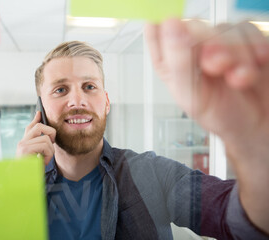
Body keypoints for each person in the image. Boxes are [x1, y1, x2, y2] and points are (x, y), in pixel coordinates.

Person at [16, 18, 269, 239]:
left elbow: (236, 220)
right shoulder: (19, 186)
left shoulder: (151, 173)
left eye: (89, 86)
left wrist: (252, 148)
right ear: (40, 108)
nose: (77, 101)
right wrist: (18, 189)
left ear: (106, 103)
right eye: (61, 90)